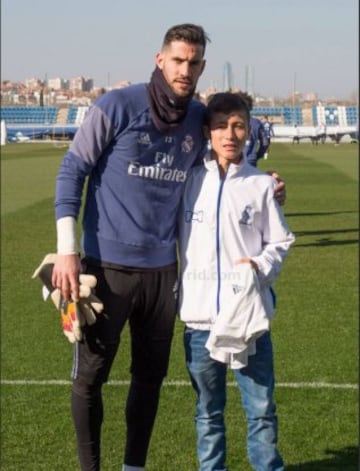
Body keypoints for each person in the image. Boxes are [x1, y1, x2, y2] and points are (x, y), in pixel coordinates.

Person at [51, 24, 286, 471]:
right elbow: (72, 171)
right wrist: (67, 248)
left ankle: (132, 467)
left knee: (150, 379)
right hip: (106, 268)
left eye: (194, 62)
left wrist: (264, 182)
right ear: (160, 60)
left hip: (163, 275)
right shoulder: (116, 106)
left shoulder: (199, 119)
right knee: (90, 378)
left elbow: (230, 152)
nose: (185, 69)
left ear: (202, 67)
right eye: (178, 60)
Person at [177, 92, 295, 471]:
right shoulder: (189, 181)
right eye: (220, 125)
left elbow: (281, 241)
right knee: (208, 413)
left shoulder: (260, 185)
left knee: (260, 411)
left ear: (248, 130)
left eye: (238, 125)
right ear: (208, 130)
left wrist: (259, 266)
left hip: (249, 320)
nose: (230, 133)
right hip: (199, 322)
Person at [239, 92, 269, 167]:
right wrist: (258, 155)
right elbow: (265, 143)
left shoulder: (230, 122)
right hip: (251, 160)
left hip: (234, 161)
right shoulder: (256, 123)